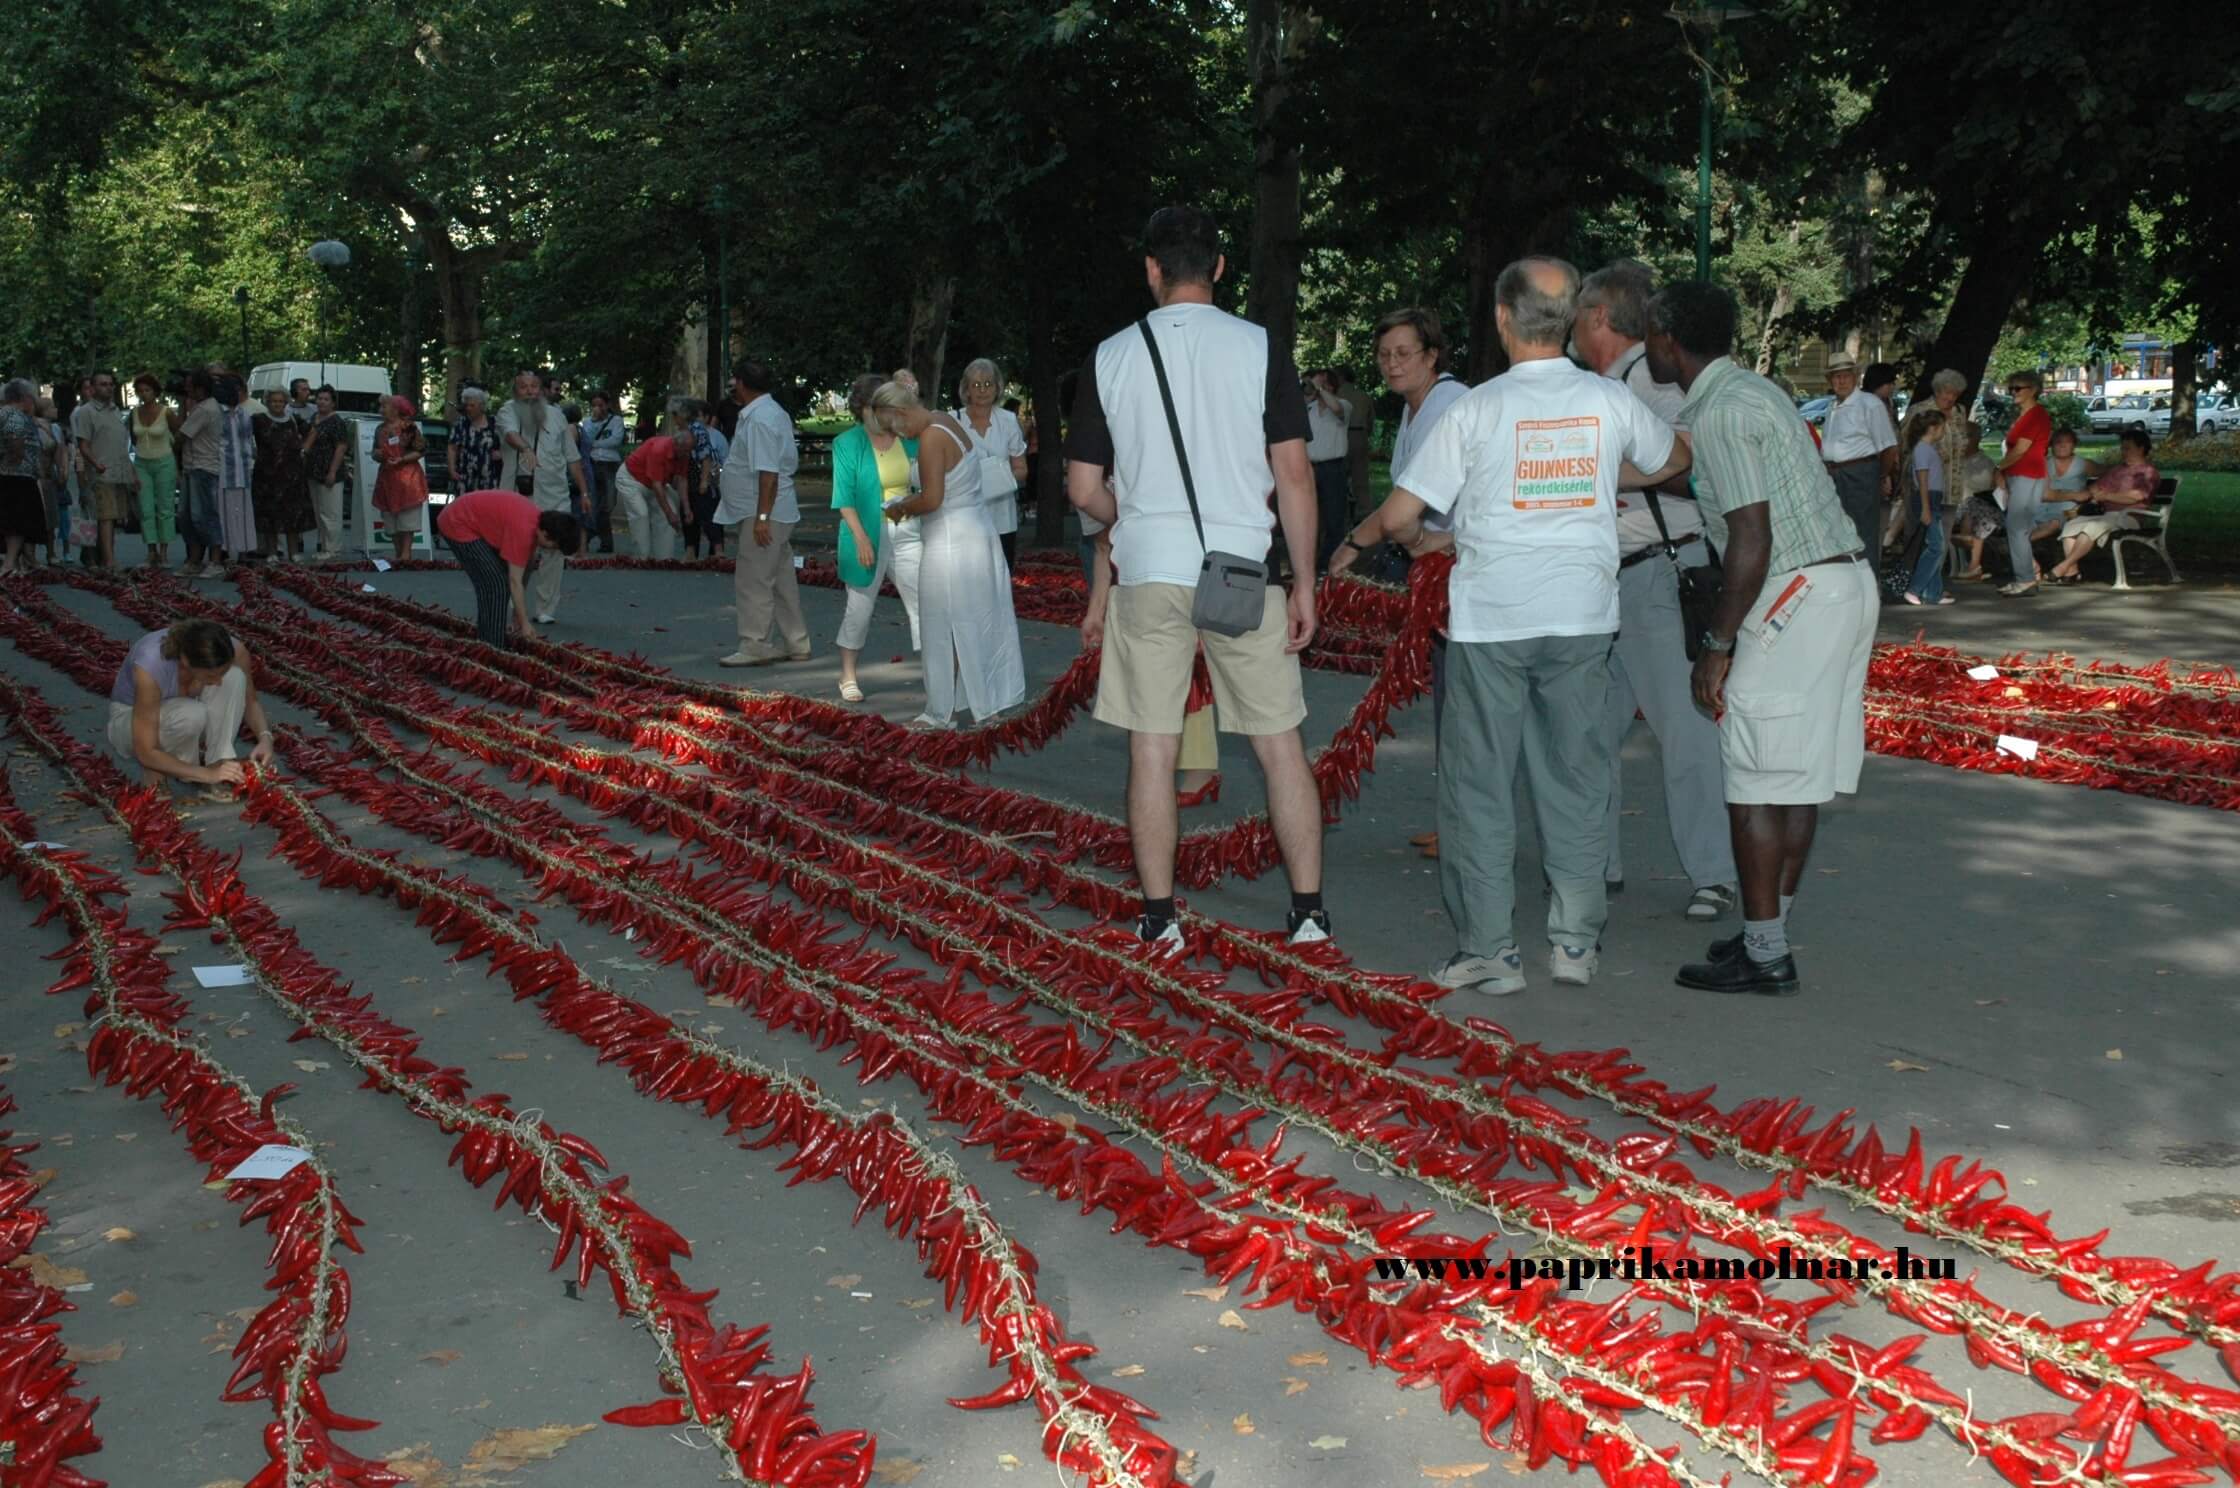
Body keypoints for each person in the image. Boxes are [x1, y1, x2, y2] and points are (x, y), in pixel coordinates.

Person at [1337, 257, 1689, 995]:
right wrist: (1595, 473)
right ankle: (1574, 944)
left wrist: (1389, 542)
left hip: (1492, 623)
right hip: (1584, 619)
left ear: (1502, 320)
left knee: (1479, 788)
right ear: (1567, 323)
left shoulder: (1475, 410)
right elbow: (1673, 460)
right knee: (1578, 777)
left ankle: (1491, 952)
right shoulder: (1606, 401)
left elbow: (1403, 514)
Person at [1065, 205, 1326, 950]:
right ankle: (1307, 912)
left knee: (1153, 746)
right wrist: (1303, 580)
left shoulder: (1110, 355)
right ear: (1218, 268)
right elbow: (1295, 473)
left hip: (1149, 571)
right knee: (1279, 743)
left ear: (1151, 270)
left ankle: (1159, 918)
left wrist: (1138, 516)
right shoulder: (1260, 346)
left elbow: (1084, 489)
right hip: (1243, 568)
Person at [1644, 281, 1877, 998]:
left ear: (1667, 339)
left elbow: (1750, 536)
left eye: (1648, 335)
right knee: (1795, 775)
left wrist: (1717, 644)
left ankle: (1766, 955)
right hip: (1843, 583)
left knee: (1751, 777)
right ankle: (1763, 931)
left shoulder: (1721, 413)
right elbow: (1732, 495)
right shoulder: (1755, 391)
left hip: (1794, 593)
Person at [1573, 260, 1740, 920]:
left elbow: (1695, 459)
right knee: (1586, 733)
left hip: (1658, 571)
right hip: (1612, 579)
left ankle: (1713, 872)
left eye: (1579, 315)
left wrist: (1603, 472)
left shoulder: (1649, 379)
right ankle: (1596, 863)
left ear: (1599, 319)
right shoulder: (1614, 381)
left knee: (1685, 731)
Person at [1372, 307, 1469, 860]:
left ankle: (1466, 826)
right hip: (1434, 573)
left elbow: (1413, 509)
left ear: (1432, 355)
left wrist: (1369, 541)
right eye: (1385, 354)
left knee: (1461, 706)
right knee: (1448, 703)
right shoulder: (1416, 408)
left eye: (1404, 353)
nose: (1392, 363)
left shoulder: (1448, 405)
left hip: (1458, 570)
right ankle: (1454, 819)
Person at [873, 383, 1026, 727]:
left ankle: (940, 712)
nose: (898, 435)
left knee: (939, 624)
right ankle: (985, 703)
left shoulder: (930, 438)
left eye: (893, 426)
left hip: (950, 541)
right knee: (977, 619)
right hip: (976, 532)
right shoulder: (946, 419)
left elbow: (932, 499)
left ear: (901, 412)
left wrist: (901, 507)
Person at [106, 617, 277, 798]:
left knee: (234, 677)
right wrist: (205, 775)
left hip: (178, 718)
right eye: (211, 675)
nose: (217, 681)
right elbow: (145, 750)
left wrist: (265, 738)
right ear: (186, 662)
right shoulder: (151, 665)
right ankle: (156, 774)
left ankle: (218, 764)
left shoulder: (230, 650)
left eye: (221, 672)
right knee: (190, 714)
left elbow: (250, 702)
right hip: (129, 725)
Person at [830, 373, 920, 701]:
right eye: (886, 407)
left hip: (909, 529)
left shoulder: (909, 437)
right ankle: (848, 676)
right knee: (860, 607)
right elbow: (844, 498)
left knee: (924, 602)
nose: (893, 414)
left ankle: (939, 671)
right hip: (865, 530)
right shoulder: (846, 443)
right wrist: (861, 539)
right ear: (867, 408)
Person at [716, 360, 810, 666]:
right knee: (781, 580)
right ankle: (796, 642)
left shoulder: (759, 419)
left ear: (741, 383)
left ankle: (754, 643)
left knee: (754, 579)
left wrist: (762, 518)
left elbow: (768, 473)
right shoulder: (770, 413)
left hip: (765, 511)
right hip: (773, 510)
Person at [496, 368, 587, 623]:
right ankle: (515, 602)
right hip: (519, 494)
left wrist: (584, 491)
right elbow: (510, 434)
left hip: (556, 493)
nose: (529, 392)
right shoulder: (507, 411)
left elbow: (572, 457)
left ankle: (546, 609)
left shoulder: (557, 416)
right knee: (520, 550)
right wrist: (525, 448)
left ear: (542, 389)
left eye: (534, 387)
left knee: (555, 552)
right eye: (524, 387)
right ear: (516, 390)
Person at [437, 488, 579, 647]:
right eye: (554, 546)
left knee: (495, 583)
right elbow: (515, 581)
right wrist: (525, 624)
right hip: (457, 522)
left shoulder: (536, 523)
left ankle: (489, 641)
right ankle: (493, 646)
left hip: (468, 519)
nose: (551, 550)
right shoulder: (524, 531)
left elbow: (526, 570)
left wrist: (518, 615)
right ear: (546, 534)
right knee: (495, 584)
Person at [2048, 429, 2160, 583]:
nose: (2123, 452)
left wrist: (2107, 496)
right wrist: (2080, 496)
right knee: (2071, 526)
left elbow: (2136, 496)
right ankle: (2072, 572)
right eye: (2122, 448)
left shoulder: (2148, 472)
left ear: (2141, 449)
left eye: (2127, 448)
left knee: (2091, 528)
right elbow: (2092, 490)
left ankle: (2062, 567)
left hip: (2129, 516)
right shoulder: (2117, 470)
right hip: (2105, 515)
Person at [1819, 353, 1896, 561]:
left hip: (1860, 473)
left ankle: (1869, 586)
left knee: (1862, 532)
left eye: (1846, 376)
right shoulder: (1831, 407)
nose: (1841, 381)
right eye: (1836, 377)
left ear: (1855, 377)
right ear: (1830, 380)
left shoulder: (1869, 404)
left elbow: (1889, 447)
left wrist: (1879, 477)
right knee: (1838, 532)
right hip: (1834, 474)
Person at [956, 359, 1028, 568]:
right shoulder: (953, 421)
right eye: (976, 385)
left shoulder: (1008, 420)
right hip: (965, 516)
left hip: (1002, 517)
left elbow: (1022, 469)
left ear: (998, 387)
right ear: (966, 389)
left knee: (1002, 580)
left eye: (988, 384)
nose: (982, 390)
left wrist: (997, 482)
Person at [1994, 370, 2052, 595]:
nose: (2013, 392)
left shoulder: (2036, 415)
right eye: (2011, 388)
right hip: (2023, 475)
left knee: (2016, 527)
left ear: (2034, 390)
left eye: (2018, 388)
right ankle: (2026, 575)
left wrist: (1999, 468)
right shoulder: (2026, 415)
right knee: (2020, 527)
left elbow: (2020, 450)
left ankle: (2025, 578)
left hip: (2027, 474)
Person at [72, 372, 135, 569]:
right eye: (102, 384)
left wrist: (132, 472)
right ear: (93, 387)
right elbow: (83, 444)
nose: (108, 388)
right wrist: (95, 463)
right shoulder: (86, 412)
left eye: (110, 384)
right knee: (105, 517)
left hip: (119, 472)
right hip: (101, 472)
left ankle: (105, 557)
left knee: (114, 517)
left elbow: (122, 445)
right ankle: (108, 560)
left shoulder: (116, 411)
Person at [1898, 407, 1954, 606]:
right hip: (1928, 498)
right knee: (1936, 546)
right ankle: (1915, 588)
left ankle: (1933, 592)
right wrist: (1925, 507)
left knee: (1934, 545)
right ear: (1933, 428)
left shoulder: (1927, 449)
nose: (1943, 432)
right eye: (1942, 428)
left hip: (1932, 497)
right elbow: (1922, 479)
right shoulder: (1922, 449)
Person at [614, 421, 690, 560]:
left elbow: (682, 480)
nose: (687, 454)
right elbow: (657, 486)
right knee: (641, 513)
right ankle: (641, 557)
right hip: (631, 479)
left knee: (669, 511)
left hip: (654, 482)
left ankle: (664, 558)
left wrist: (686, 509)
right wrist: (670, 514)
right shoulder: (659, 450)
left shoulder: (683, 453)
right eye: (685, 450)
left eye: (689, 450)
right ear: (676, 444)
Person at [250, 390, 312, 562]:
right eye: (273, 401)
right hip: (267, 475)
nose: (277, 404)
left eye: (280, 401)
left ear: (286, 402)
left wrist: (304, 450)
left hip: (292, 475)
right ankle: (272, 552)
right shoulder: (259, 419)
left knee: (292, 515)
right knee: (270, 514)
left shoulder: (293, 419)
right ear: (267, 402)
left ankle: (294, 552)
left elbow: (313, 431)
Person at [175, 371, 226, 576]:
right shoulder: (201, 407)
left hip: (204, 467)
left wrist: (180, 411)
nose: (186, 389)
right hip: (192, 466)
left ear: (200, 388)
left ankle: (215, 560)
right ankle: (195, 559)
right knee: (186, 516)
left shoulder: (205, 409)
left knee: (203, 515)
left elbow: (180, 436)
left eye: (190, 386)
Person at [129, 374, 182, 570]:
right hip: (142, 462)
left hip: (164, 462)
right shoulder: (134, 413)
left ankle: (164, 552)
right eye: (140, 391)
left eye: (147, 390)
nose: (144, 394)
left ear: (155, 391)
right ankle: (151, 551)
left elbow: (180, 433)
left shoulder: (166, 412)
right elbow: (133, 440)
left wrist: (175, 456)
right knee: (145, 507)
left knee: (165, 507)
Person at [371, 395, 431, 562]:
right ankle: (399, 553)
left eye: (384, 407)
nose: (381, 410)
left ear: (396, 409)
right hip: (387, 478)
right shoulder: (379, 429)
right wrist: (377, 455)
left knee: (408, 517)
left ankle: (406, 553)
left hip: (408, 478)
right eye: (380, 407)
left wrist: (402, 459)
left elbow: (421, 450)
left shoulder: (408, 427)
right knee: (390, 520)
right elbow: (374, 452)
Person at [1303, 369, 1351, 571]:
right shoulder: (1309, 408)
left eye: (1323, 383)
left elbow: (1336, 407)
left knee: (1334, 521)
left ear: (1331, 386)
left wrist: (1319, 388)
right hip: (1308, 470)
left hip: (1333, 470)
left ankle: (1326, 567)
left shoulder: (1344, 405)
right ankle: (1306, 566)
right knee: (1307, 521)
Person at [0, 380, 45, 577]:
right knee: (17, 522)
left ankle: (13, 563)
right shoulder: (14, 415)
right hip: (17, 476)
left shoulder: (5, 413)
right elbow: (15, 440)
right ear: (24, 398)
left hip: (15, 475)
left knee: (14, 521)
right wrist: (13, 460)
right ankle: (9, 564)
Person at [214, 377, 259, 567]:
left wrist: (249, 464)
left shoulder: (244, 414)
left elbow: (248, 442)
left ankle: (244, 551)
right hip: (223, 471)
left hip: (242, 470)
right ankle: (225, 551)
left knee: (243, 513)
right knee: (223, 513)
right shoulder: (216, 414)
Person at [303, 386, 351, 560]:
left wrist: (332, 471)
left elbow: (341, 447)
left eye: (326, 399)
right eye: (319, 398)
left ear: (333, 403)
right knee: (319, 512)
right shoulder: (313, 418)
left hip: (330, 472)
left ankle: (333, 548)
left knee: (330, 513)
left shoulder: (337, 421)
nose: (321, 402)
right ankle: (324, 546)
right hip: (313, 471)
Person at [685, 399, 731, 557]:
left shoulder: (717, 437)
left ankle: (716, 552)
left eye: (697, 415)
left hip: (712, 481)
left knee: (712, 517)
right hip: (690, 479)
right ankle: (691, 551)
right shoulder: (687, 433)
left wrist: (719, 476)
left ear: (706, 417)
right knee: (690, 516)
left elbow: (725, 460)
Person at [583, 391, 626, 552]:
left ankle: (597, 538)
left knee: (607, 504)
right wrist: (595, 423)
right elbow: (586, 440)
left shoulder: (616, 421)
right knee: (592, 503)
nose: (598, 408)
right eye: (594, 405)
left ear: (607, 405)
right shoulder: (588, 422)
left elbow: (615, 440)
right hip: (593, 464)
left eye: (600, 405)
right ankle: (594, 540)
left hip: (609, 465)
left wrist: (595, 443)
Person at [447, 386, 500, 500]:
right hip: (465, 477)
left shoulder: (494, 423)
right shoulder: (461, 424)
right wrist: (451, 469)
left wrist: (501, 453)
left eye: (472, 405)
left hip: (489, 478)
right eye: (466, 405)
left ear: (481, 406)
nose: (468, 408)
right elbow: (452, 447)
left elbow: (507, 444)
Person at [1337, 366, 1373, 533]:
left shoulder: (1337, 396)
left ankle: (1342, 515)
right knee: (1361, 478)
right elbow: (1371, 419)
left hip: (1343, 436)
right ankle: (1365, 514)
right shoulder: (1364, 396)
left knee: (1340, 477)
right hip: (1361, 436)